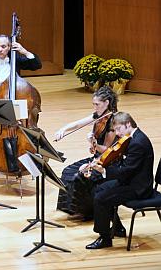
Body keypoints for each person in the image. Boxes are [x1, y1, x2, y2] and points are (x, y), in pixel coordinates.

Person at [84, 112, 154, 249]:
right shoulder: (131, 138)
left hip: (138, 188)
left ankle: (105, 238)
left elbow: (126, 171)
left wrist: (103, 170)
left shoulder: (138, 143)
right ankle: (118, 228)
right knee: (98, 189)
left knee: (101, 198)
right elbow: (124, 167)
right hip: (129, 181)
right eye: (115, 130)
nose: (116, 133)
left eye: (118, 129)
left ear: (128, 124)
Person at [55, 86, 118, 220]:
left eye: (97, 104)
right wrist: (63, 129)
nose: (95, 107)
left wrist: (93, 142)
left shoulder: (112, 122)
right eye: (93, 104)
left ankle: (87, 210)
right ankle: (71, 208)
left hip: (107, 162)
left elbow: (107, 149)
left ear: (107, 103)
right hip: (97, 157)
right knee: (67, 171)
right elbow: (78, 124)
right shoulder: (98, 116)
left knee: (80, 175)